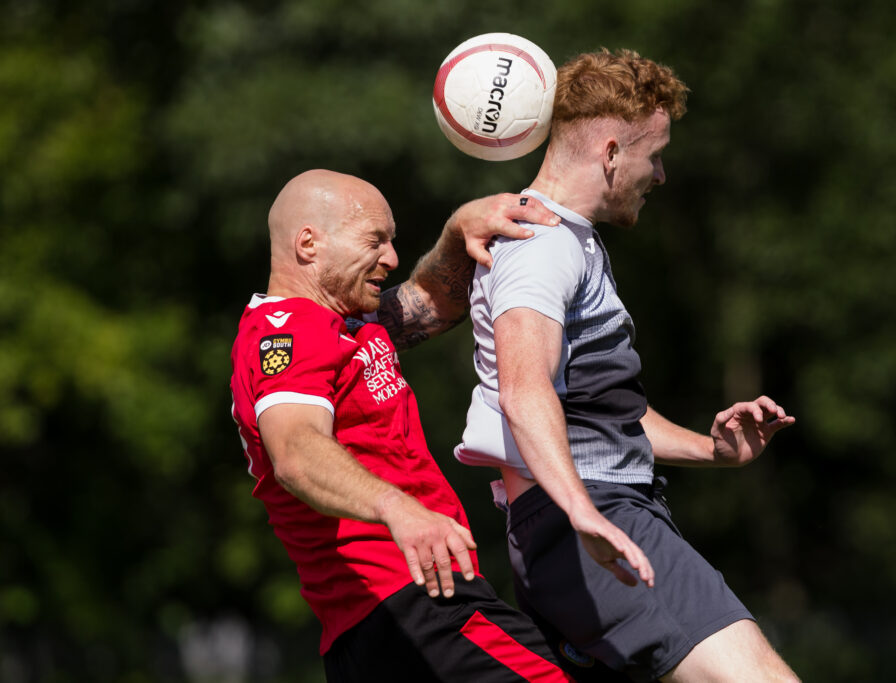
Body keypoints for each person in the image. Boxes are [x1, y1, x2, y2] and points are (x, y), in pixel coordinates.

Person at [454, 49, 801, 682]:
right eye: (655, 154)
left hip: (583, 520)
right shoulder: (543, 245)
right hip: (590, 518)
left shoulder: (569, 241)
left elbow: (599, 412)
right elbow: (524, 390)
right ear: (611, 151)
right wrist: (582, 512)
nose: (661, 174)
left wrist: (712, 451)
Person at [229, 169, 578, 682]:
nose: (390, 257)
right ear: (308, 244)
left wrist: (459, 230)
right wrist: (398, 509)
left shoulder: (346, 322)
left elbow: (432, 299)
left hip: (390, 623)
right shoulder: (284, 333)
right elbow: (296, 452)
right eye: (375, 241)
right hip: (410, 604)